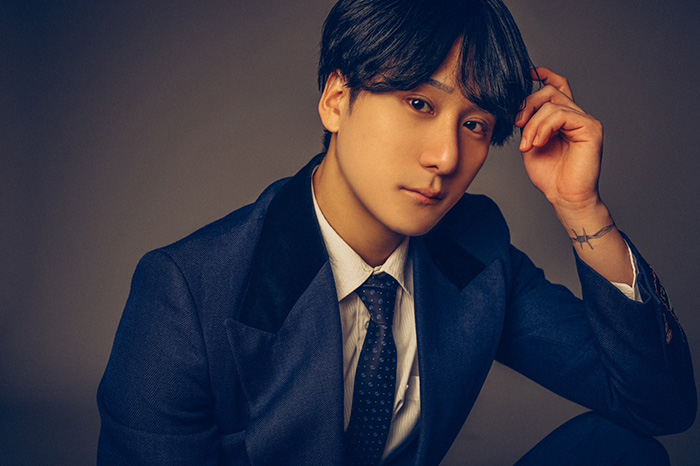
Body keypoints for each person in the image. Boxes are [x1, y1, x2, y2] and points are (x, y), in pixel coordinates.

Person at [96, 0, 696, 464]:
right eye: (419, 104)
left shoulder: (475, 251)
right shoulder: (188, 292)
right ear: (336, 100)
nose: (445, 156)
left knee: (621, 452)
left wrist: (580, 206)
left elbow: (658, 405)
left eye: (475, 124)